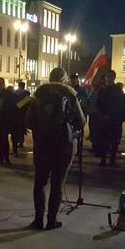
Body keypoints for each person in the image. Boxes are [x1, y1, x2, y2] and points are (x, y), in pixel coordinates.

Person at [26, 67, 85, 230]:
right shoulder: (70, 94)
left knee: (40, 183)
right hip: (63, 146)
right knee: (57, 184)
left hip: (42, 144)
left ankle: (38, 220)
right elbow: (81, 120)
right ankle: (52, 220)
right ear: (65, 80)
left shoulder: (38, 94)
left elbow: (29, 121)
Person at [96, 70, 125, 166]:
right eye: (107, 77)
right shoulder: (102, 90)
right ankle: (103, 159)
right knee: (103, 140)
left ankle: (112, 159)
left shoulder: (117, 90)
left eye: (110, 77)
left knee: (114, 140)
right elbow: (98, 104)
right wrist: (101, 115)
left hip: (114, 119)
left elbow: (121, 104)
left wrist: (119, 117)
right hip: (104, 119)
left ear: (113, 78)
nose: (108, 79)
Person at [0, 77, 17, 165]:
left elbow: (13, 106)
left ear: (3, 84)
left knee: (4, 139)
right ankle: (1, 157)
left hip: (5, 120)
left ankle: (6, 157)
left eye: (1, 83)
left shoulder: (8, 94)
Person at [12, 81, 30, 155]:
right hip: (23, 113)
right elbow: (28, 102)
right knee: (22, 128)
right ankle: (21, 142)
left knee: (16, 130)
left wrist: (17, 106)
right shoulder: (26, 93)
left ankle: (16, 144)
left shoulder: (15, 93)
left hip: (15, 113)